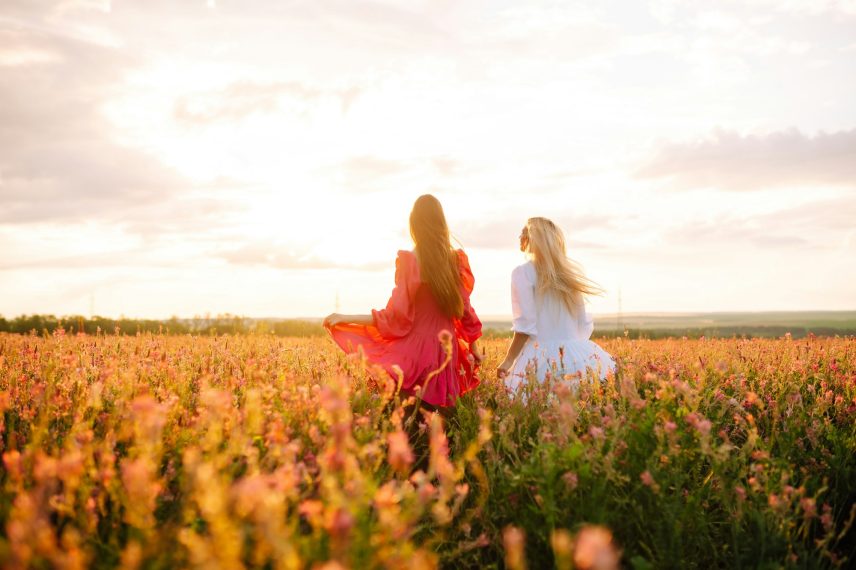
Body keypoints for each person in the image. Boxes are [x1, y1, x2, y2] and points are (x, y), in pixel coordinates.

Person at [323, 194, 484, 412]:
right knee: (439, 426)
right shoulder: (454, 261)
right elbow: (466, 311)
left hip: (414, 352)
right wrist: (474, 349)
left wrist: (345, 318)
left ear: (414, 223)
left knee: (406, 421)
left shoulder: (411, 261)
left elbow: (394, 318)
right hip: (445, 353)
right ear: (441, 222)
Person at [496, 217, 615, 393]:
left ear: (533, 239)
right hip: (577, 355)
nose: (519, 236)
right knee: (578, 412)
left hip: (541, 358)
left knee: (541, 411)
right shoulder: (569, 274)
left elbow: (525, 326)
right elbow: (582, 324)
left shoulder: (522, 273)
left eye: (524, 231)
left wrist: (508, 360)